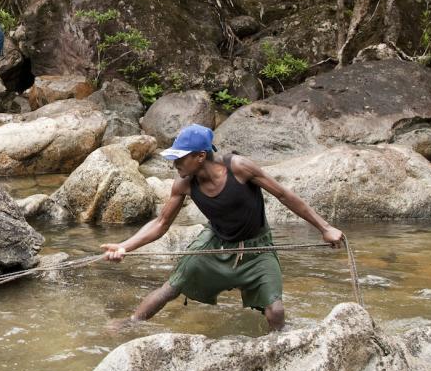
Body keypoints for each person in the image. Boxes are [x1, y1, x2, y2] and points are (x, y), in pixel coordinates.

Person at [101, 123, 344, 332]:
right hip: (214, 243)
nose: (174, 163)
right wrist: (125, 246)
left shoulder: (239, 168)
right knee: (171, 288)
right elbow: (161, 223)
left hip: (257, 247)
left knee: (276, 310)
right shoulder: (183, 183)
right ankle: (131, 323)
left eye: (180, 157)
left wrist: (325, 228)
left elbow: (284, 195)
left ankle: (279, 347)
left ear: (200, 156)